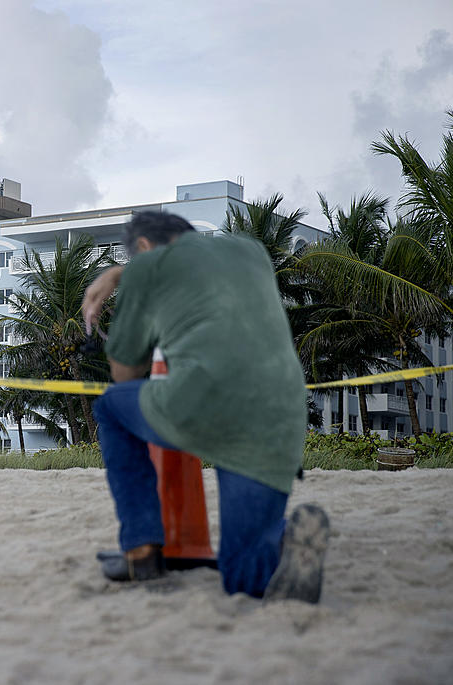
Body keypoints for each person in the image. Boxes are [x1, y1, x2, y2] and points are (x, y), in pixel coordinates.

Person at [82, 211, 330, 602]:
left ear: (143, 248)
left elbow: (125, 373)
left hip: (205, 404)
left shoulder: (148, 266)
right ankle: (282, 540)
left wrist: (123, 286)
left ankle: (141, 552)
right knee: (244, 574)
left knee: (113, 406)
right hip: (280, 415)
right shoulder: (250, 250)